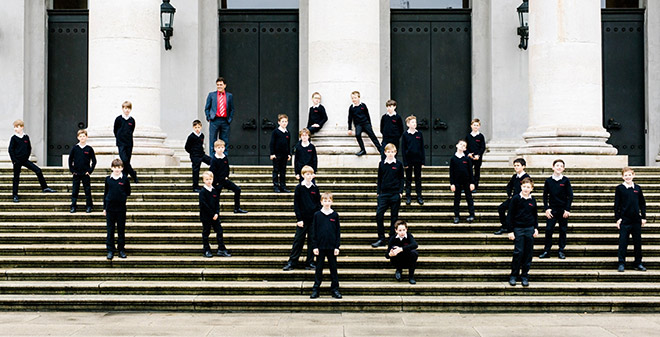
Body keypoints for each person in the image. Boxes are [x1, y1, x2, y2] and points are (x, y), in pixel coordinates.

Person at [283, 165, 321, 271]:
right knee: (298, 241)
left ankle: (310, 262)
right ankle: (292, 262)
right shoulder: (299, 188)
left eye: (311, 174)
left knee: (312, 241)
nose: (309, 176)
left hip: (313, 219)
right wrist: (299, 219)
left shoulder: (315, 188)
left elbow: (318, 203)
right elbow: (297, 205)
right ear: (303, 175)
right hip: (302, 220)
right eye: (307, 174)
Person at [9, 119, 56, 203]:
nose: (15, 129)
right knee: (16, 177)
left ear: (22, 127)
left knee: (38, 170)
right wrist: (14, 160)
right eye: (14, 127)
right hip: (17, 161)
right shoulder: (14, 138)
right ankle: (15, 195)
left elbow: (29, 148)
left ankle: (45, 187)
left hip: (25, 160)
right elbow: (11, 150)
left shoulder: (26, 137)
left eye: (17, 127)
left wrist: (26, 157)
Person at [506, 177, 539, 287]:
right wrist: (510, 230)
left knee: (528, 253)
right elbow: (510, 215)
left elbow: (535, 215)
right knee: (518, 252)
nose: (526, 189)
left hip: (529, 228)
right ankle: (513, 275)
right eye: (524, 187)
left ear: (532, 189)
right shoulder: (516, 199)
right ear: (521, 187)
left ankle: (524, 275)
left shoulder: (532, 200)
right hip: (518, 229)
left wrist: (536, 228)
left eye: (528, 187)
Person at [539, 159, 573, 260]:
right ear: (553, 167)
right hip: (552, 210)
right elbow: (545, 196)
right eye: (557, 165)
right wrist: (546, 209)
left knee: (563, 230)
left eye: (561, 166)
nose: (559, 167)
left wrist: (567, 209)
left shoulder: (566, 180)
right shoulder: (548, 181)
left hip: (563, 210)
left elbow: (570, 196)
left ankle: (561, 250)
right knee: (549, 230)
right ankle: (547, 250)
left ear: (563, 168)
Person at [310, 192, 342, 299]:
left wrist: (337, 246)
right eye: (325, 201)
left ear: (332, 201)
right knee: (319, 269)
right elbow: (313, 232)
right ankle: (316, 289)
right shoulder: (317, 215)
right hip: (320, 247)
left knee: (333, 269)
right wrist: (314, 246)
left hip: (332, 247)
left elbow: (338, 232)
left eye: (329, 201)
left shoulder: (335, 215)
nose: (327, 203)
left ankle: (335, 289)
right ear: (321, 202)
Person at [372, 143, 404, 248]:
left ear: (395, 153)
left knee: (394, 217)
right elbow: (379, 178)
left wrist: (400, 192)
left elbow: (401, 179)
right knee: (379, 215)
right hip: (384, 194)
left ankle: (391, 238)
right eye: (388, 152)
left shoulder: (398, 164)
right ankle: (381, 238)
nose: (390, 154)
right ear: (385, 153)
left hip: (395, 194)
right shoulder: (382, 164)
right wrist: (378, 192)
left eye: (392, 152)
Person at [614, 167, 647, 272]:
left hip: (636, 220)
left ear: (633, 175)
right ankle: (621, 263)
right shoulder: (620, 188)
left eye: (629, 175)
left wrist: (644, 217)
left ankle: (638, 263)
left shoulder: (637, 188)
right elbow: (616, 205)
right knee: (623, 242)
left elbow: (642, 203)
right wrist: (618, 218)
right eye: (625, 175)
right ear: (622, 177)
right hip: (625, 220)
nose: (627, 177)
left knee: (637, 242)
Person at [103, 159, 131, 260]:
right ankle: (110, 250)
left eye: (119, 168)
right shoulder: (108, 179)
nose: (117, 170)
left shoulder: (124, 179)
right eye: (115, 168)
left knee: (121, 230)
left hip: (120, 209)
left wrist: (121, 197)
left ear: (122, 168)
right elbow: (105, 193)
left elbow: (128, 192)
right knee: (110, 230)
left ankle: (121, 250)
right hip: (110, 208)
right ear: (111, 168)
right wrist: (104, 208)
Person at [199, 171, 231, 258]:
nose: (209, 181)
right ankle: (206, 249)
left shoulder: (214, 190)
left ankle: (221, 248)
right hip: (206, 216)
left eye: (210, 179)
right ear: (203, 180)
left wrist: (217, 213)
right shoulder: (202, 192)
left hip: (215, 216)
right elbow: (203, 205)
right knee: (206, 232)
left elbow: (217, 203)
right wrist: (212, 214)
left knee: (219, 231)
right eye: (207, 179)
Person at [210, 140, 247, 214]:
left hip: (224, 180)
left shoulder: (225, 157)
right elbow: (212, 172)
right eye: (219, 147)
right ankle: (216, 213)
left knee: (237, 189)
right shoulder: (214, 160)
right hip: (217, 182)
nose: (220, 149)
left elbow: (227, 168)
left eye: (222, 147)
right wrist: (216, 182)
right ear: (215, 149)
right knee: (216, 198)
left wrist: (227, 176)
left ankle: (237, 208)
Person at [494, 158, 530, 235]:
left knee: (512, 212)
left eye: (518, 165)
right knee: (501, 208)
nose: (516, 167)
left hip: (521, 200)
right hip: (513, 199)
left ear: (523, 166)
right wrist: (509, 195)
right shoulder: (515, 176)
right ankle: (504, 226)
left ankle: (513, 228)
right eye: (515, 166)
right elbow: (509, 186)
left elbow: (528, 189)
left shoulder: (526, 177)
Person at [68, 129, 97, 213]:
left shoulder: (89, 149)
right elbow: (70, 160)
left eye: (84, 136)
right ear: (78, 137)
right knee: (75, 190)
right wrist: (72, 170)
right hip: (76, 173)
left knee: (87, 190)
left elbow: (94, 161)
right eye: (80, 136)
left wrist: (90, 171)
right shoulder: (75, 148)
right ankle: (73, 206)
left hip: (85, 173)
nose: (82, 138)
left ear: (86, 137)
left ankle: (89, 206)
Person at [204, 77, 235, 156]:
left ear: (225, 85)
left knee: (225, 141)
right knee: (213, 141)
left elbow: (232, 109)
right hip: (214, 120)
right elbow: (207, 108)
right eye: (218, 85)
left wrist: (229, 119)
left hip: (225, 121)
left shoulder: (229, 96)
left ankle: (223, 160)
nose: (219, 86)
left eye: (221, 85)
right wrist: (209, 117)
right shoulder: (211, 95)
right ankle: (213, 160)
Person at [347, 91, 381, 156]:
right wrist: (349, 128)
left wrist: (370, 124)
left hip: (365, 123)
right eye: (352, 98)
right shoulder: (352, 108)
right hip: (358, 124)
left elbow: (367, 115)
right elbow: (350, 118)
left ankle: (380, 149)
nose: (353, 99)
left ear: (359, 98)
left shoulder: (363, 105)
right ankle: (363, 150)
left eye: (355, 98)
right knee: (357, 134)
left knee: (372, 135)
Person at [401, 115, 425, 206]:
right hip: (409, 160)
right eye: (412, 122)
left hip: (418, 160)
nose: (414, 124)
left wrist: (423, 160)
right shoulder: (405, 135)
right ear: (408, 124)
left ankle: (419, 196)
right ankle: (408, 196)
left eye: (415, 122)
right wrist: (405, 162)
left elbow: (422, 148)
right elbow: (403, 149)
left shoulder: (419, 134)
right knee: (408, 179)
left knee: (418, 179)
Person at [449, 139, 475, 224]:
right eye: (461, 144)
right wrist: (452, 184)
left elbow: (470, 171)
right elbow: (451, 172)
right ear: (457, 145)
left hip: (466, 181)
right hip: (457, 182)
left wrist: (472, 182)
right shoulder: (453, 159)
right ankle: (456, 216)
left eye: (464, 146)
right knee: (457, 199)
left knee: (469, 198)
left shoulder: (467, 159)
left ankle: (471, 215)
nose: (462, 146)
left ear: (465, 149)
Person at [386, 220, 418, 284]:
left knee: (414, 253)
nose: (402, 232)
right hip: (397, 259)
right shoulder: (393, 238)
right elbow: (386, 255)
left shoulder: (409, 236)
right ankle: (399, 270)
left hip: (407, 258)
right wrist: (390, 254)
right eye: (400, 230)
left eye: (404, 230)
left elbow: (415, 245)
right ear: (396, 230)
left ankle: (411, 276)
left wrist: (401, 249)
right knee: (394, 250)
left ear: (406, 229)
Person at [113, 101, 138, 183]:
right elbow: (115, 130)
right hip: (121, 143)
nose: (127, 110)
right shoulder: (118, 119)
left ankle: (124, 177)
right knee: (124, 160)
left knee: (127, 160)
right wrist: (119, 138)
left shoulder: (132, 120)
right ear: (123, 109)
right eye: (125, 108)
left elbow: (132, 130)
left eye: (128, 108)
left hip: (129, 143)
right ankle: (133, 174)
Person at [185, 120, 212, 193]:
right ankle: (195, 186)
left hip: (201, 154)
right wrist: (192, 153)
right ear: (193, 127)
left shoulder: (202, 135)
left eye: (199, 127)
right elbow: (187, 147)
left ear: (201, 127)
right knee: (196, 170)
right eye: (196, 127)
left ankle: (212, 181)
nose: (197, 129)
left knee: (212, 162)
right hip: (195, 156)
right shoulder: (191, 136)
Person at [270, 114, 291, 193]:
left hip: (284, 155)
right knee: (276, 170)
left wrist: (289, 154)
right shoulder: (275, 132)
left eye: (286, 121)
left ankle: (283, 186)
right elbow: (272, 143)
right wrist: (272, 153)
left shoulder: (287, 133)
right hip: (277, 155)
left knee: (283, 171)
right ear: (279, 122)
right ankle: (276, 186)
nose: (284, 123)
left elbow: (288, 144)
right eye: (282, 121)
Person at [465, 118, 486, 191]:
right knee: (468, 172)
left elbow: (482, 147)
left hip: (477, 157)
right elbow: (465, 146)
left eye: (477, 125)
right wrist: (468, 154)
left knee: (477, 172)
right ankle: (467, 186)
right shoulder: (468, 136)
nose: (476, 127)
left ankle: (475, 187)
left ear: (479, 126)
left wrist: (478, 155)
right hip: (469, 157)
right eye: (474, 125)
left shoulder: (481, 136)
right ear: (471, 126)